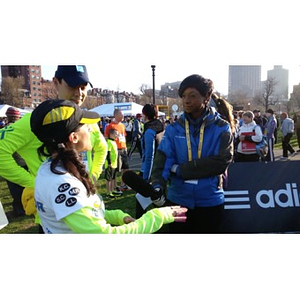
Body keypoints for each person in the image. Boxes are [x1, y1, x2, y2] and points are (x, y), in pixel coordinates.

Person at [30, 99, 187, 234]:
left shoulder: (51, 168)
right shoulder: (62, 183)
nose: (92, 129)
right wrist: (158, 216)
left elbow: (86, 213)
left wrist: (117, 216)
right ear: (74, 137)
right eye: (86, 125)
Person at [0, 65, 108, 231]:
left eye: (83, 87)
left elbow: (102, 147)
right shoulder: (40, 120)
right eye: (72, 86)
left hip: (86, 207)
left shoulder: (85, 119)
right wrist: (34, 184)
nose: (79, 93)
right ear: (56, 83)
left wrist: (91, 177)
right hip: (56, 220)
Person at [150, 74, 233, 233]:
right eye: (184, 96)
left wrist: (181, 170)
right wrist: (158, 184)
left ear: (207, 96)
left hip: (210, 201)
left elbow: (221, 162)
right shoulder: (174, 129)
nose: (186, 100)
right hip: (178, 200)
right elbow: (163, 159)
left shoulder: (222, 127)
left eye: (192, 96)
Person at [136, 104, 165, 218]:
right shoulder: (160, 126)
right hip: (160, 168)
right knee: (157, 198)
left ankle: (140, 224)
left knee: (141, 200)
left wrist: (146, 177)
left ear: (145, 114)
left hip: (150, 170)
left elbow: (149, 155)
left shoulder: (149, 131)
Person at [4, 107, 26, 216]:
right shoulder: (24, 128)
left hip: (14, 163)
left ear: (9, 116)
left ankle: (19, 209)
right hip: (26, 162)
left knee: (16, 189)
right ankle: (27, 206)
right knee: (25, 186)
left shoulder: (8, 129)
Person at [104, 109, 129, 193]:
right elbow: (106, 137)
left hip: (123, 148)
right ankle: (114, 186)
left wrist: (125, 147)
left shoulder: (122, 125)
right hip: (115, 150)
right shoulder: (110, 126)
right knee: (116, 169)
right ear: (116, 115)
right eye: (121, 115)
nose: (123, 117)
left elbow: (123, 136)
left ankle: (123, 184)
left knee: (125, 167)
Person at [105, 128, 119, 198]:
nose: (117, 135)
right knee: (109, 179)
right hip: (110, 164)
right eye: (116, 134)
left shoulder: (114, 142)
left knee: (113, 177)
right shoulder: (109, 142)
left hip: (114, 163)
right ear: (111, 135)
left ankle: (113, 189)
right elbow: (108, 153)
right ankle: (108, 192)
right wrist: (109, 162)